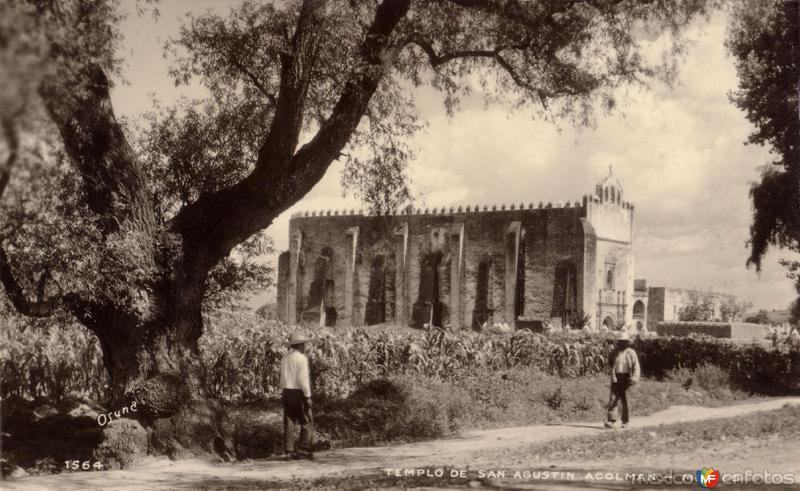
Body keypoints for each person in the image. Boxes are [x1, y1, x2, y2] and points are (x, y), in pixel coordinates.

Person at [280, 332, 314, 460]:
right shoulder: (302, 358)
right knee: (306, 419)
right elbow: (303, 379)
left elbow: (282, 377)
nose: (305, 346)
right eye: (304, 344)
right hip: (298, 392)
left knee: (289, 421)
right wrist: (307, 396)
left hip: (286, 391)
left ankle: (289, 451)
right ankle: (303, 449)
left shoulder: (284, 358)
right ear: (299, 345)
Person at [604, 331, 640, 429]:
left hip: (627, 378)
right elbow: (609, 364)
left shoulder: (631, 353)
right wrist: (611, 372)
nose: (622, 343)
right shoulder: (614, 352)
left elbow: (636, 366)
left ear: (627, 342)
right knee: (613, 399)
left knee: (626, 400)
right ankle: (611, 421)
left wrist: (635, 378)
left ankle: (625, 421)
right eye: (620, 341)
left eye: (624, 341)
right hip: (616, 378)